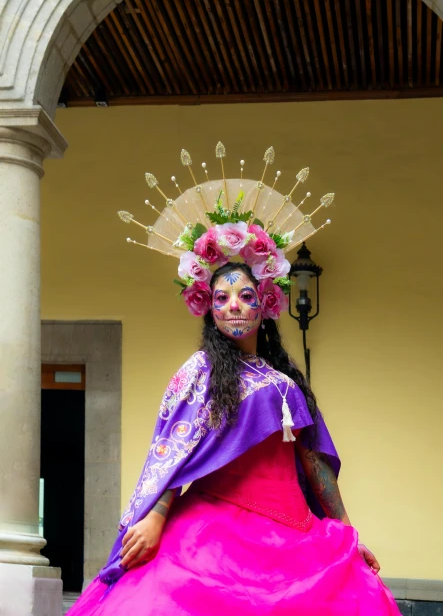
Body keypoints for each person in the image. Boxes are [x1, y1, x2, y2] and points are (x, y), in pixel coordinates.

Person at [67, 144, 401, 616]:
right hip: (208, 531)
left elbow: (314, 464)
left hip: (292, 535)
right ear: (208, 306)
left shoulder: (286, 380)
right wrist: (157, 517)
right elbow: (176, 451)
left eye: (245, 295)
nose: (234, 306)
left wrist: (349, 533)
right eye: (221, 298)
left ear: (265, 304)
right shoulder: (198, 371)